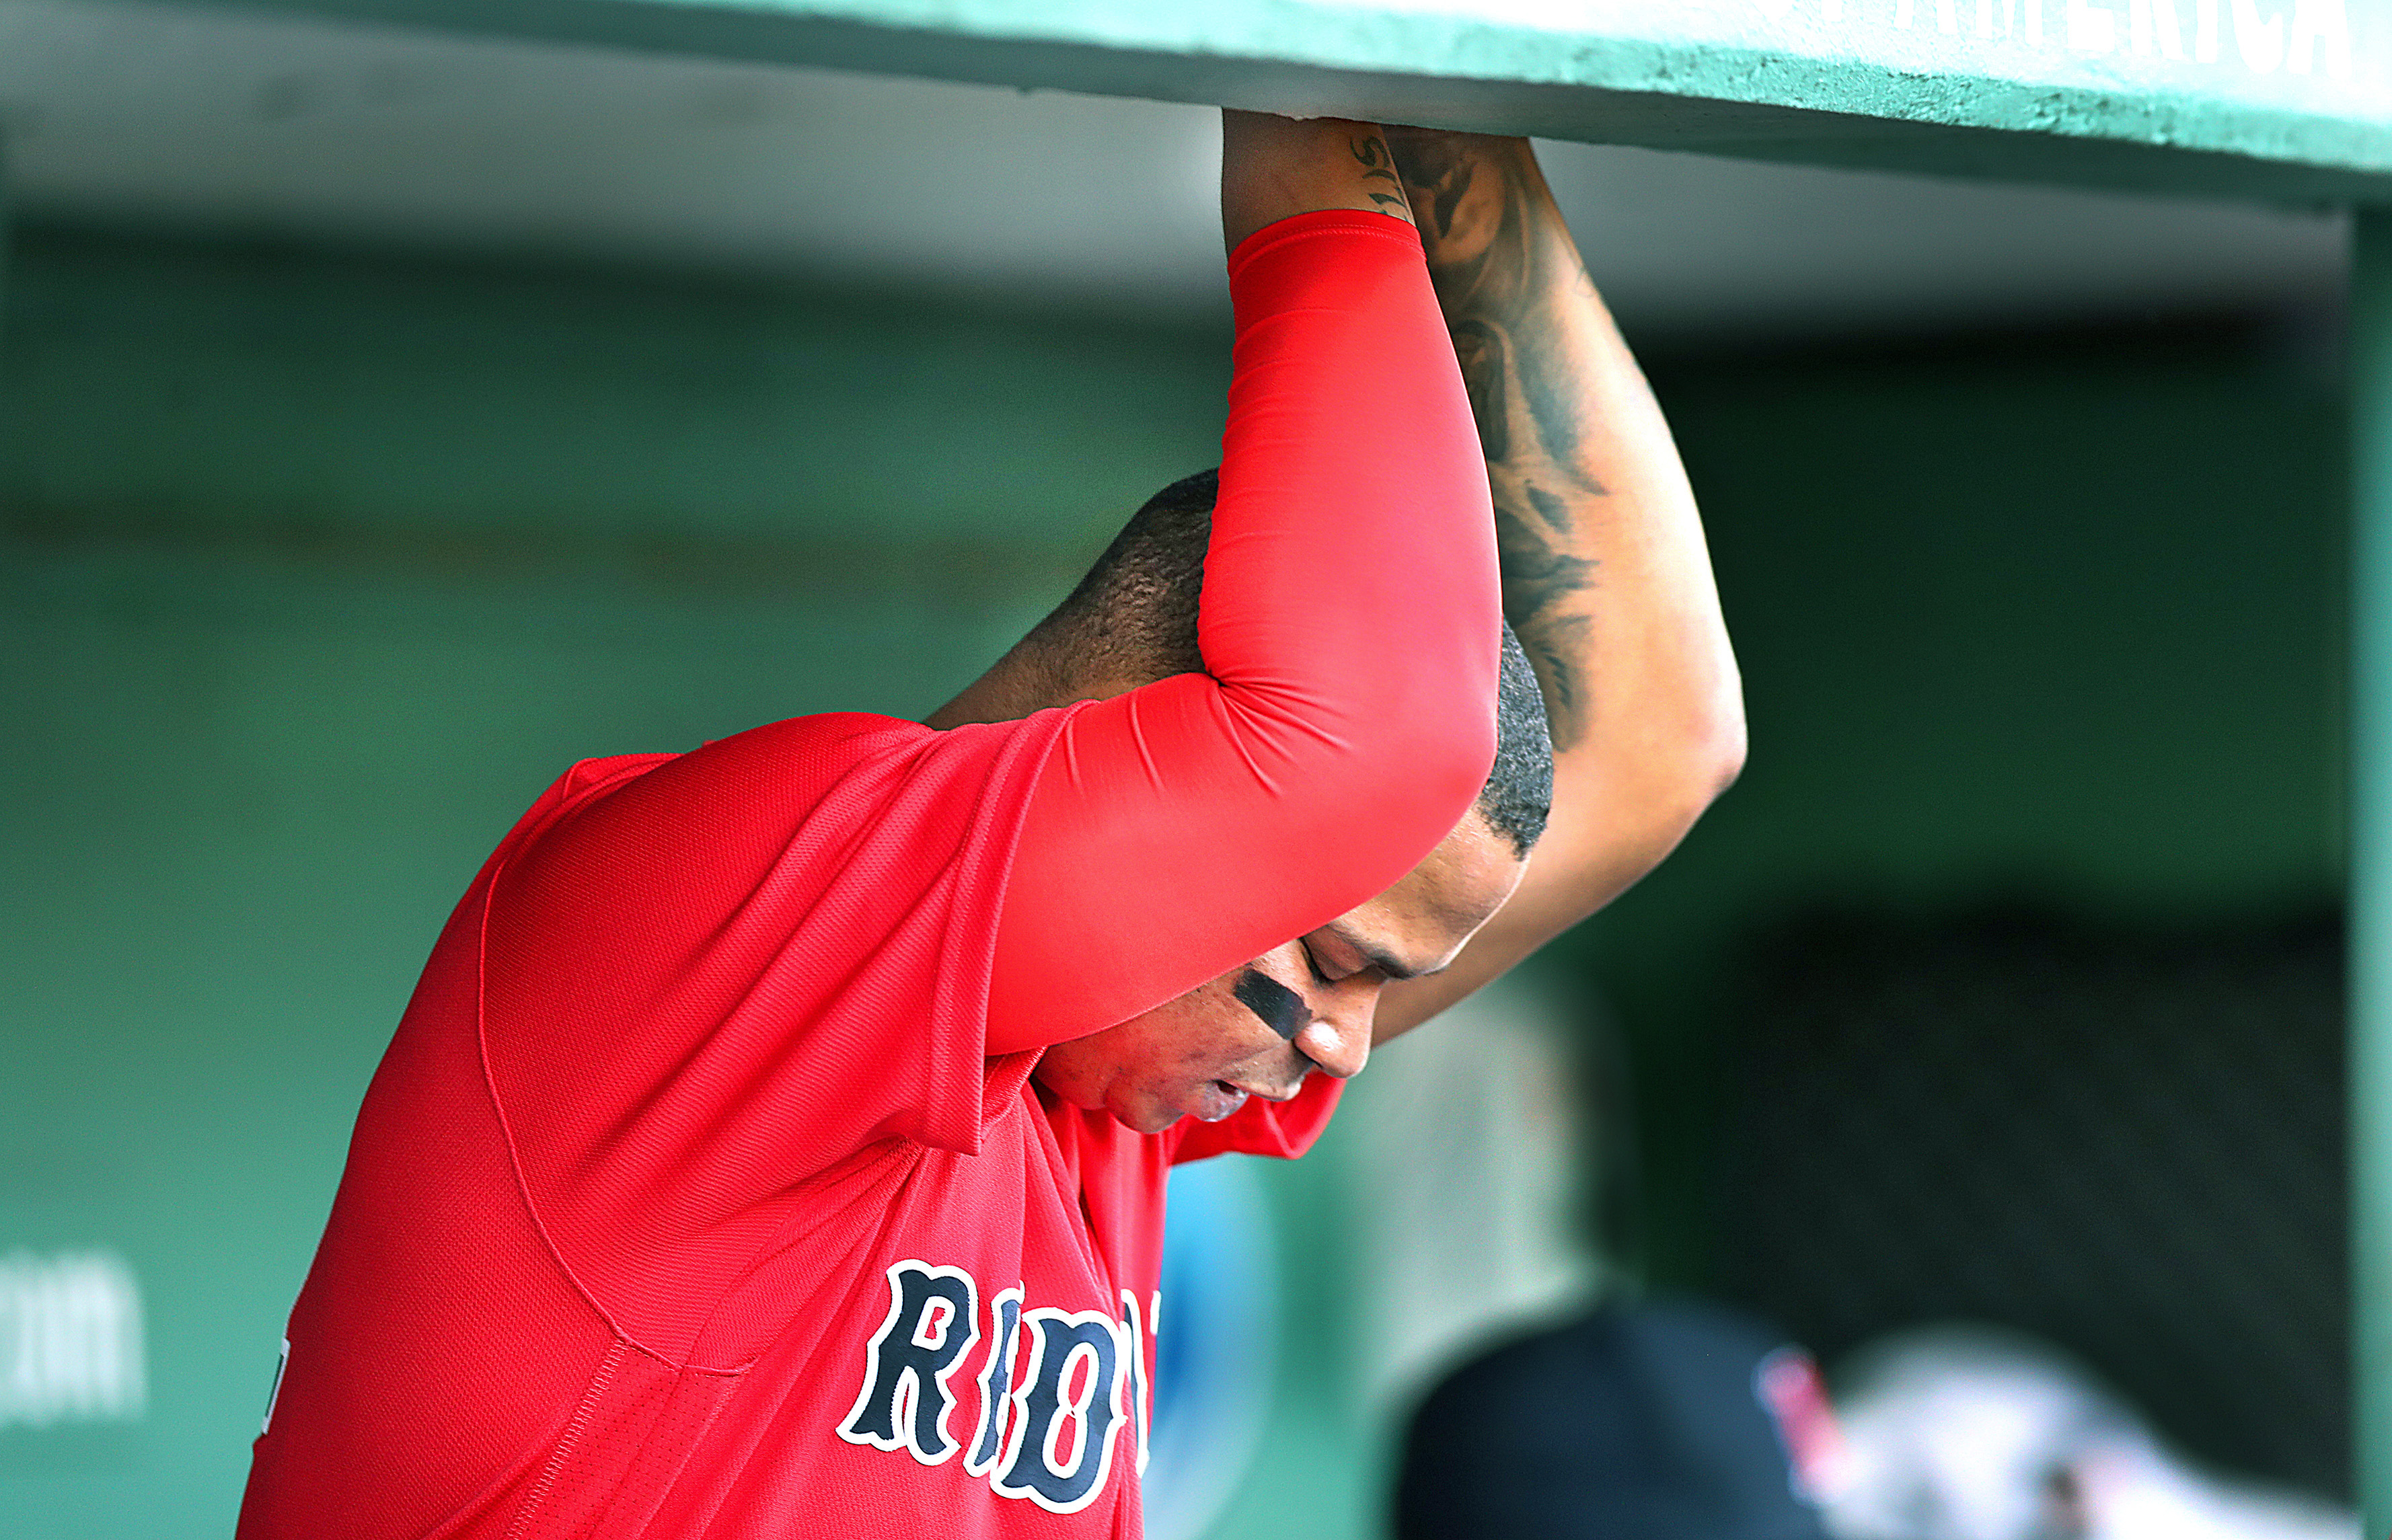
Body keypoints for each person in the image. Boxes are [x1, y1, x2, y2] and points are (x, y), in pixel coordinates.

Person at [235, 113, 1740, 1537]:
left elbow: (1662, 741)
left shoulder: (1093, 1090)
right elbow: (1380, 732)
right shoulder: (731, 931)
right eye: (1335, 953)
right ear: (1163, 758)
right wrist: (1303, 78)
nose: (1346, 1041)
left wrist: (1447, 102)